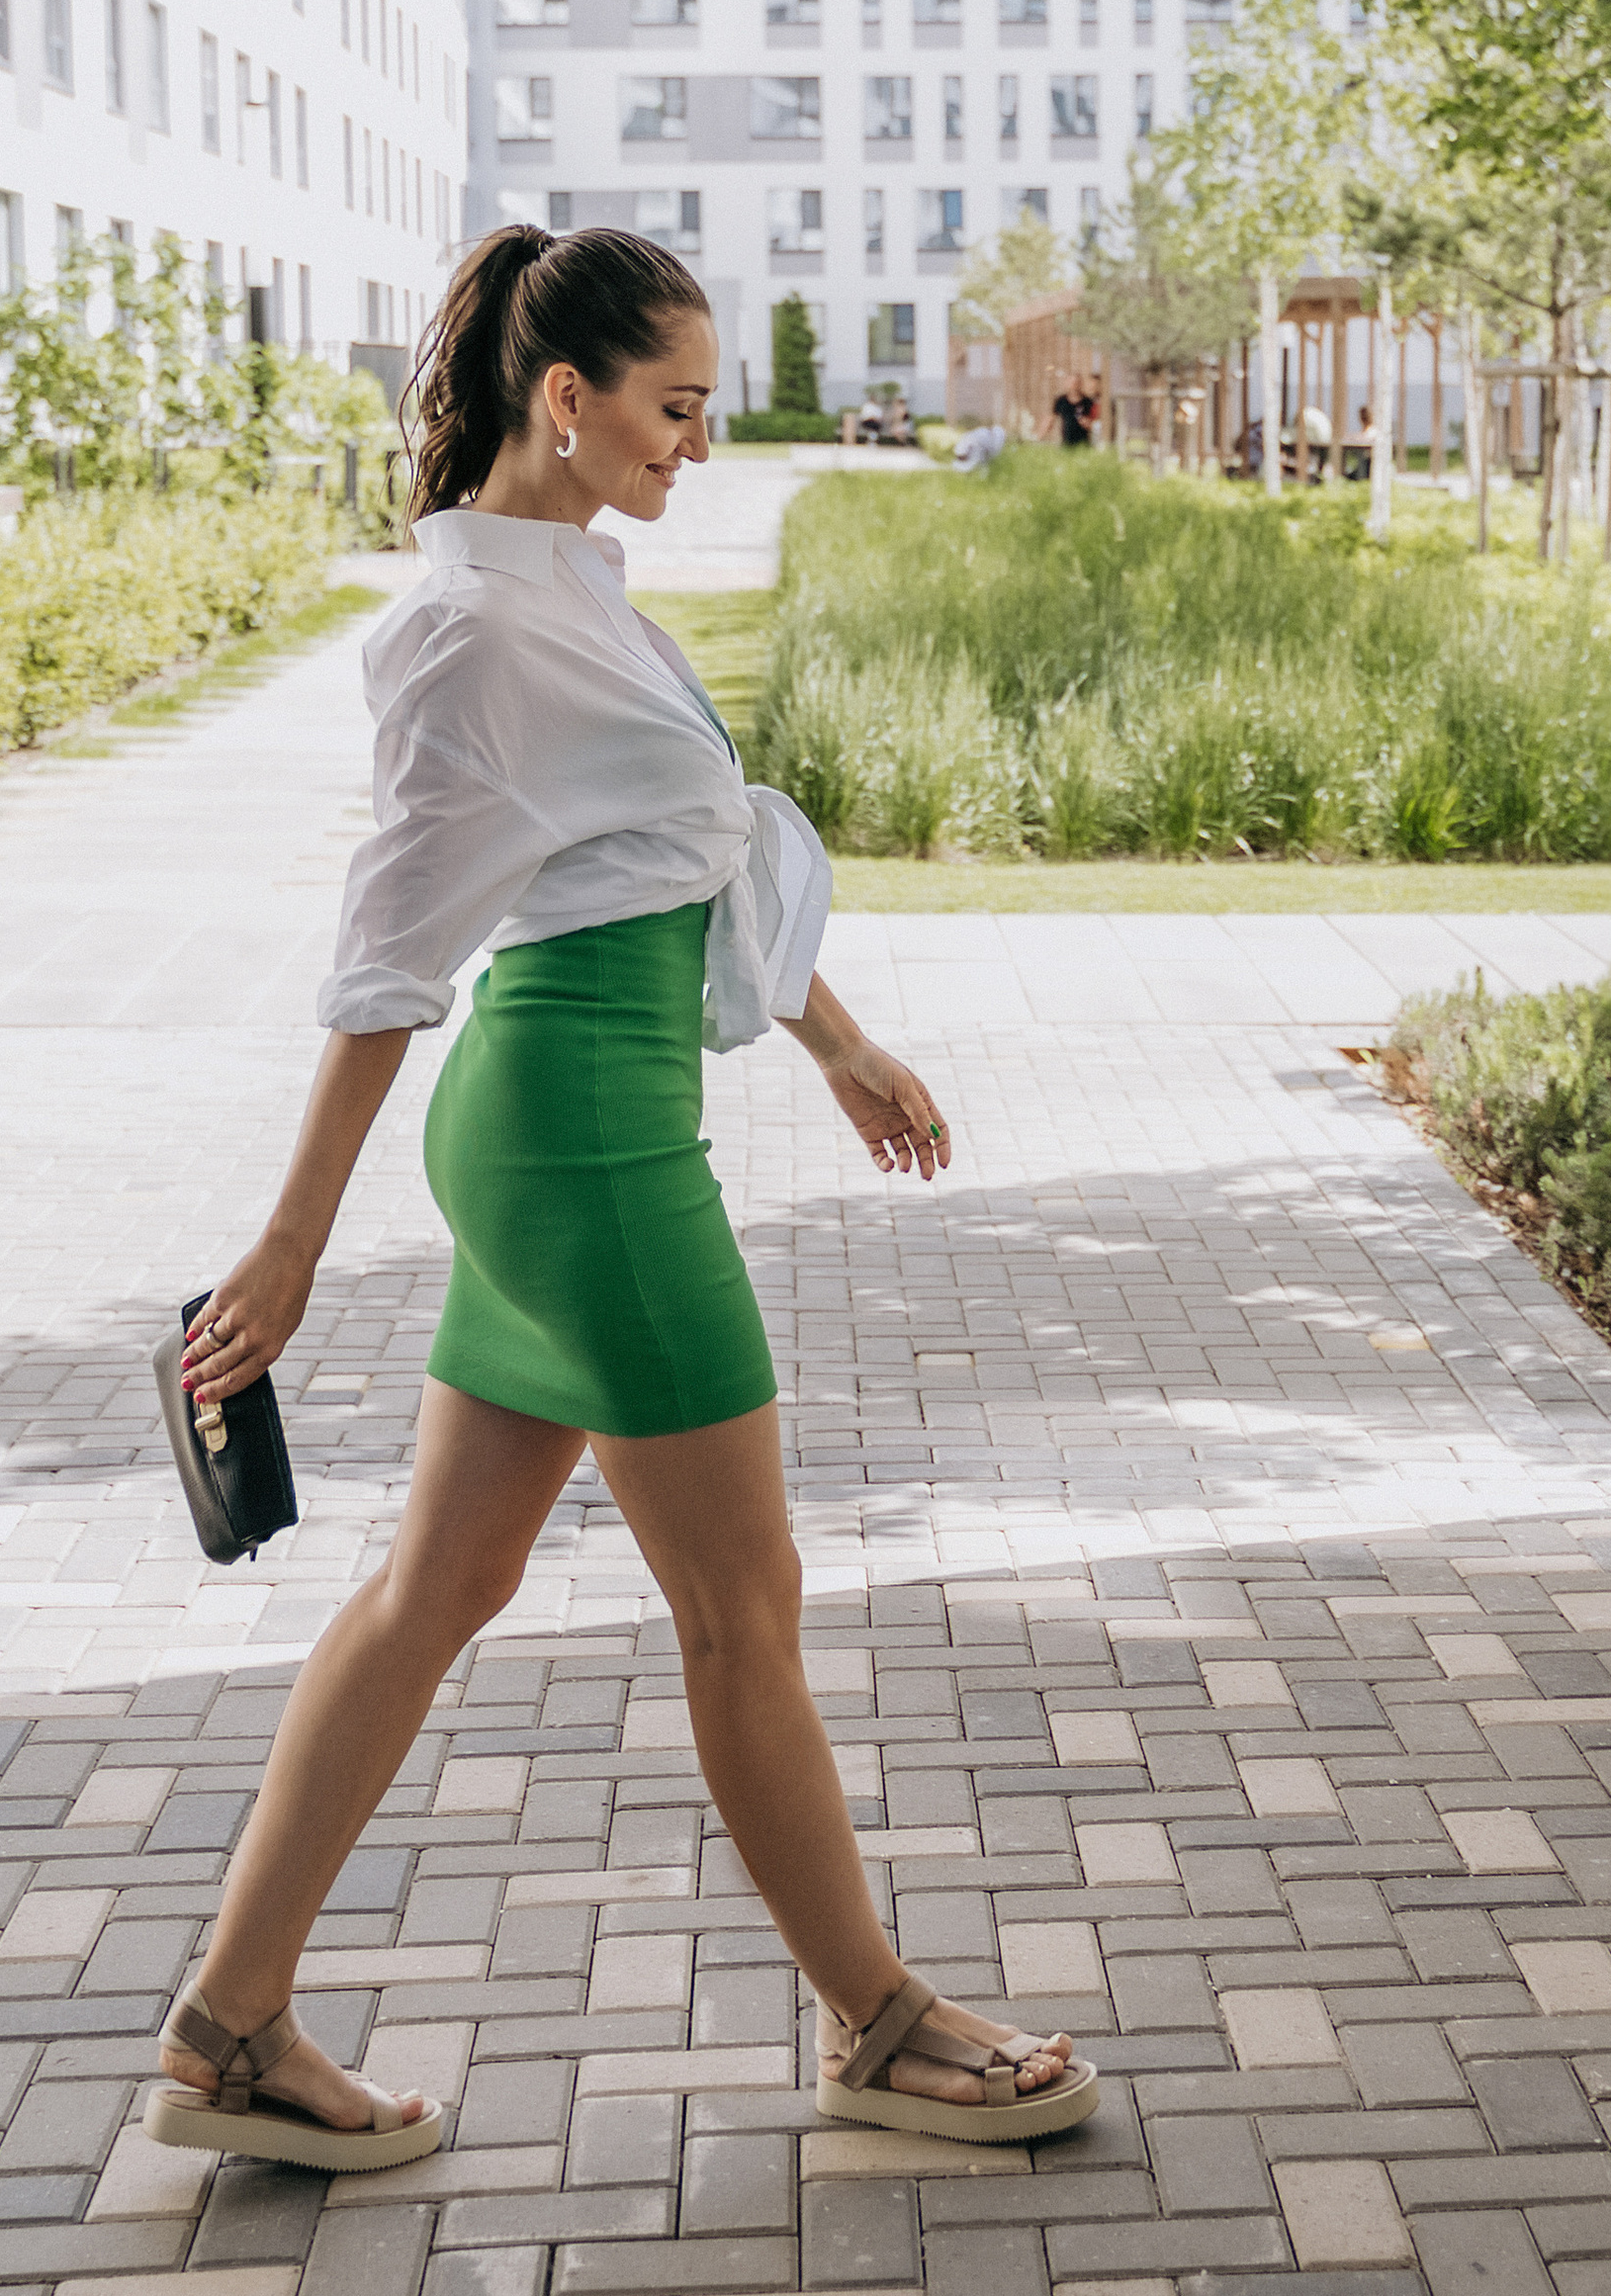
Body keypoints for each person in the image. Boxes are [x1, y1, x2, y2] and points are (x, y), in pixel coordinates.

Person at [147, 227, 1099, 2170]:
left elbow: (687, 844)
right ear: (560, 400)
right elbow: (385, 948)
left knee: (441, 1587)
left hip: (587, 1103)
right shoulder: (471, 633)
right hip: (581, 1137)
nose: (698, 434)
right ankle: (881, 2024)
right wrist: (289, 1242)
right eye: (670, 402)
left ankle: (226, 2033)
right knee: (741, 1602)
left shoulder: (566, 585)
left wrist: (833, 1039)